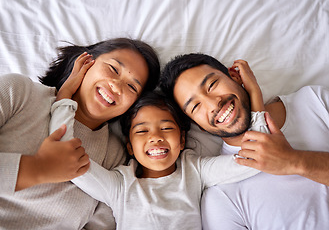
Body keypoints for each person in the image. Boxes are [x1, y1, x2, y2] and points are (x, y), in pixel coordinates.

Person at [45, 73, 268, 229]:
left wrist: (254, 93)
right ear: (130, 147)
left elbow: (254, 156)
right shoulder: (120, 185)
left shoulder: (195, 170)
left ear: (182, 140)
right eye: (142, 131)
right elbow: (65, 154)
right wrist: (65, 96)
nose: (156, 137)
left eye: (167, 128)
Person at [0, 38, 160, 230]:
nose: (117, 87)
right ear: (86, 62)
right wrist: (39, 168)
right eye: (113, 69)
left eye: (132, 87)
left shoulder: (116, 158)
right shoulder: (18, 92)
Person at [159, 53, 329, 229]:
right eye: (195, 106)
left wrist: (295, 161)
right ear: (198, 126)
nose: (213, 104)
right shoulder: (220, 197)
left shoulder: (315, 101)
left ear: (235, 76)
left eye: (212, 85)